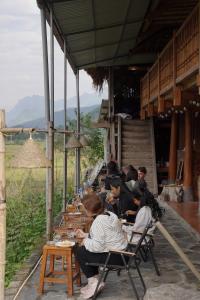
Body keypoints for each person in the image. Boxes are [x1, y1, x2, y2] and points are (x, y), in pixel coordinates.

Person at [75, 194, 127, 299]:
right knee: (85, 249)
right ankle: (95, 280)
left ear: (89, 210)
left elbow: (97, 246)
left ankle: (93, 282)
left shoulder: (98, 221)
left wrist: (85, 241)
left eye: (85, 208)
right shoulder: (109, 214)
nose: (84, 211)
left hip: (115, 257)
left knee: (80, 251)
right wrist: (85, 235)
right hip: (122, 254)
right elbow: (104, 236)